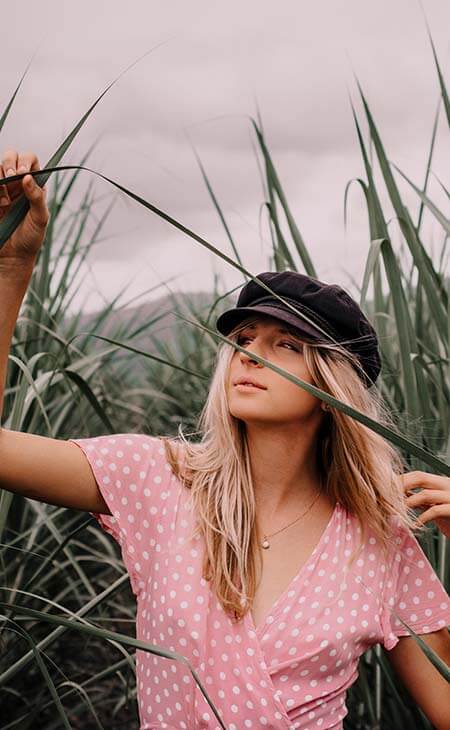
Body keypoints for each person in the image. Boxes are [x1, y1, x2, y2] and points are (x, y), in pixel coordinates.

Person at [0, 149, 449, 730]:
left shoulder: (379, 538)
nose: (250, 356)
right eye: (244, 337)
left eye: (285, 345)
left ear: (334, 385)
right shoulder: (160, 477)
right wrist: (12, 271)